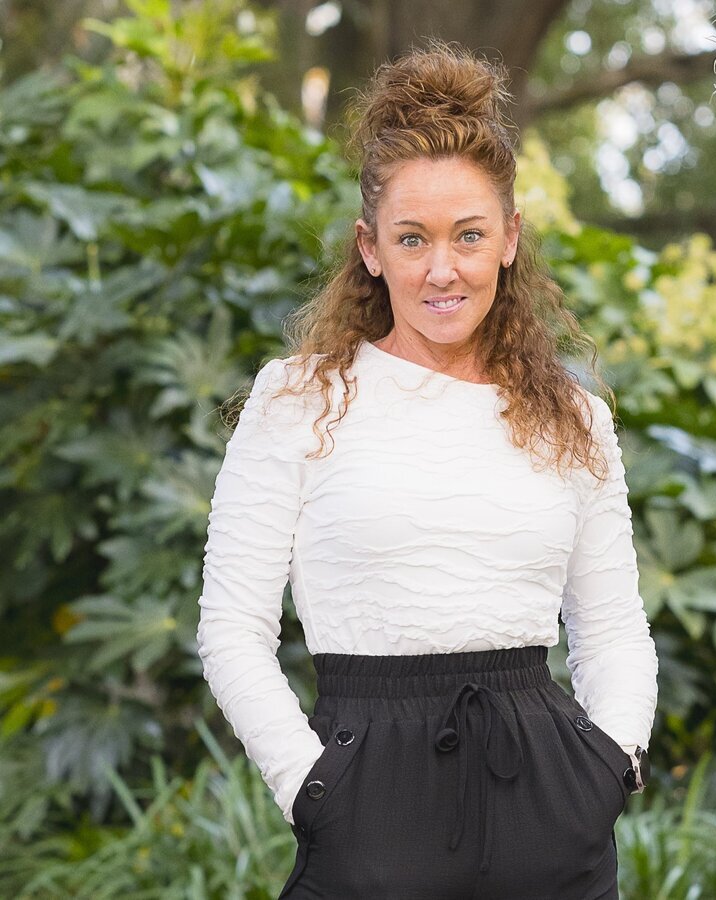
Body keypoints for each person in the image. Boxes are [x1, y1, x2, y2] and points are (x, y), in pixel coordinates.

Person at [196, 39, 658, 900]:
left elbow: (613, 628)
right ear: (370, 248)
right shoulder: (298, 400)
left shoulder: (573, 417)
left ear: (509, 238)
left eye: (469, 235)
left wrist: (611, 765)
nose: (442, 269)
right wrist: (310, 789)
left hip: (552, 811)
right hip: (364, 809)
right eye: (413, 239)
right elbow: (231, 627)